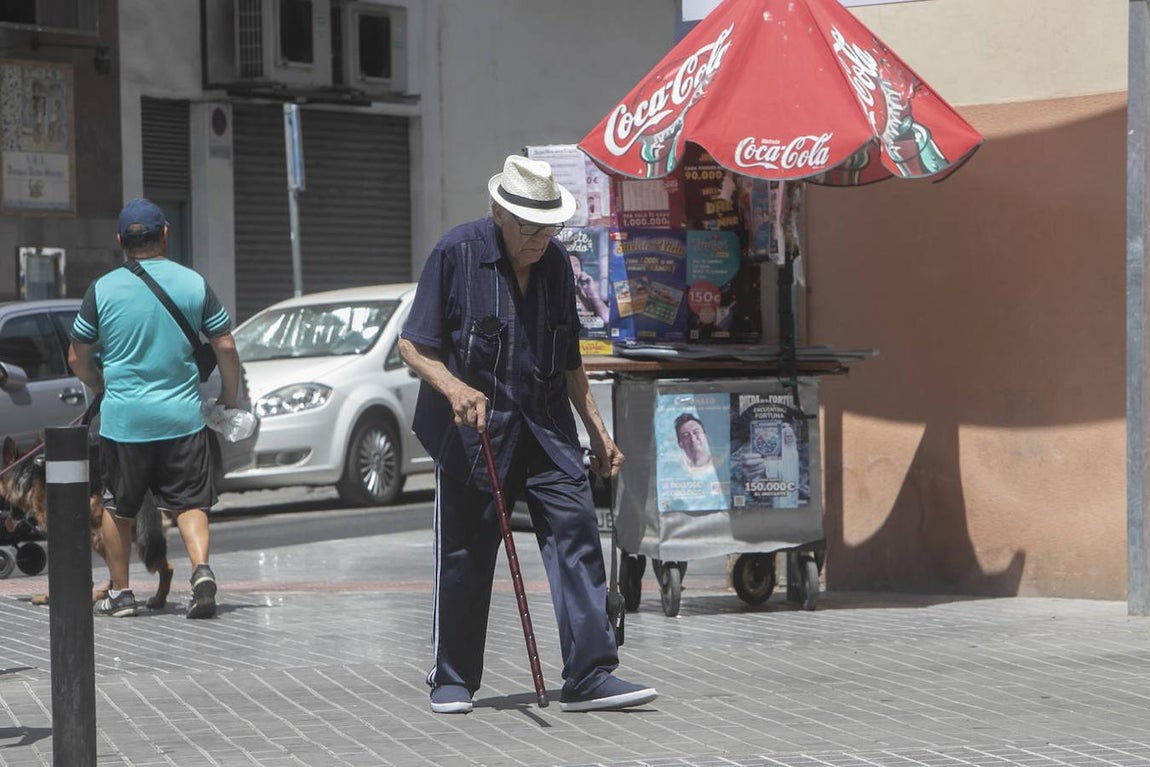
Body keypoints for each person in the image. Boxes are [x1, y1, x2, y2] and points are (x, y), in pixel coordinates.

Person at [398, 155, 658, 714]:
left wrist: (598, 431)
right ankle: (453, 677)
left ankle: (590, 673)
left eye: (549, 228)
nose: (540, 239)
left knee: (577, 532)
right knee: (466, 553)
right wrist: (453, 388)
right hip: (475, 433)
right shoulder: (457, 253)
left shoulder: (557, 265)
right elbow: (414, 344)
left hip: (545, 426)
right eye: (529, 227)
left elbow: (568, 360)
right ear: (498, 212)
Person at [68, 198, 242, 619]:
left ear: (120, 242)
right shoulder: (193, 284)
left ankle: (122, 593)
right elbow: (225, 345)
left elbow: (77, 356)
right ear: (166, 234)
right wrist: (229, 399)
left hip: (124, 422)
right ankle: (201, 570)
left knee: (118, 507)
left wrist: (99, 385)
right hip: (181, 420)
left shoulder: (102, 290)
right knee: (190, 504)